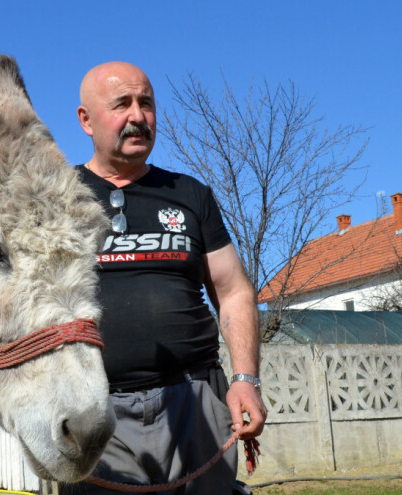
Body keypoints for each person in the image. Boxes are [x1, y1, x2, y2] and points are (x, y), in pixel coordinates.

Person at [62, 61, 266, 494]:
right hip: (96, 411)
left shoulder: (190, 195)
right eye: (122, 104)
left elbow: (233, 292)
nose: (138, 116)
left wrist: (245, 380)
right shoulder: (54, 198)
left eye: (146, 103)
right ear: (85, 120)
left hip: (195, 403)